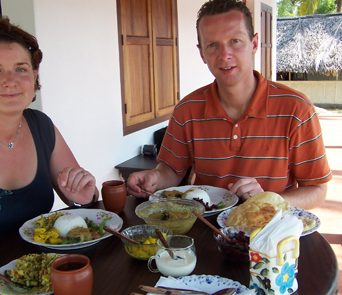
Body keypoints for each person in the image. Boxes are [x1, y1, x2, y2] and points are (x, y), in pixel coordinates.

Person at [127, 0, 331, 210]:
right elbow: (171, 170)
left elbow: (317, 189)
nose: (225, 55)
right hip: (207, 232)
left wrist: (269, 201)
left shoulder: (296, 109)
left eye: (235, 41)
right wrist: (154, 177)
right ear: (202, 53)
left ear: (254, 44)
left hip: (270, 233)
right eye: (213, 45)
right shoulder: (187, 110)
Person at [0, 15, 98, 294]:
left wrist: (84, 196)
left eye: (20, 69)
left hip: (40, 281)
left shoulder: (41, 126)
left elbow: (84, 199)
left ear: (34, 77)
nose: (10, 81)